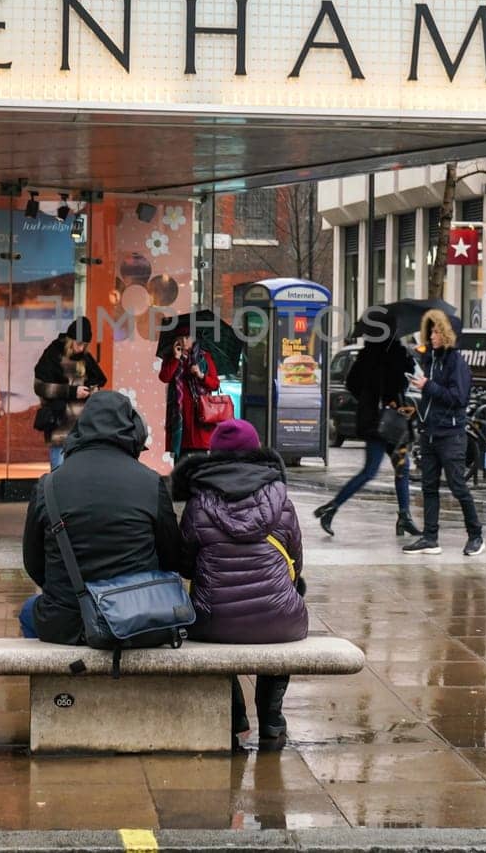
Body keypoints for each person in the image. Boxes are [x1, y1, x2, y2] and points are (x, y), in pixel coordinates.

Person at [175, 419, 306, 752]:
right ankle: (272, 718)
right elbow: (296, 564)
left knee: (210, 614)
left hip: (213, 622)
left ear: (213, 455)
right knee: (281, 609)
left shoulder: (197, 503)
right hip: (280, 620)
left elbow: (185, 565)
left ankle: (235, 715)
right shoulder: (281, 500)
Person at [20, 391, 181, 643]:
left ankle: (57, 681)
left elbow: (33, 562)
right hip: (137, 619)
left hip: (69, 621)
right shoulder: (151, 483)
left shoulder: (48, 485)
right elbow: (172, 557)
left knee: (29, 611)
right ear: (133, 430)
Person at [313, 320, 417, 537]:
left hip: (373, 421)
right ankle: (332, 508)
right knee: (388, 469)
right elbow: (401, 383)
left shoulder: (366, 355)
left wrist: (368, 400)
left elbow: (352, 383)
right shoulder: (395, 354)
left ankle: (404, 516)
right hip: (389, 423)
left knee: (395, 468)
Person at [403, 309, 485, 557]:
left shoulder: (455, 362)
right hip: (429, 432)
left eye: (437, 331)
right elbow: (432, 394)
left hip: (450, 433)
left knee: (458, 485)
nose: (432, 336)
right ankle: (430, 538)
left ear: (447, 334)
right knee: (428, 487)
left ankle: (476, 535)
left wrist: (429, 386)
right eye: (430, 331)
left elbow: (458, 398)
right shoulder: (430, 359)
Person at [33, 317, 107, 471]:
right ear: (70, 340)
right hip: (60, 424)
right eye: (79, 344)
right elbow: (40, 387)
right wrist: (72, 392)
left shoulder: (84, 358)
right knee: (58, 472)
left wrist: (92, 390)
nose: (80, 349)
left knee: (79, 473)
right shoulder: (53, 354)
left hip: (81, 428)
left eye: (84, 345)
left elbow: (98, 380)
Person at [159, 322, 222, 459]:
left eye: (187, 337)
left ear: (194, 339)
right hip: (180, 420)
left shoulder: (204, 357)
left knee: (200, 463)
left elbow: (215, 384)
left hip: (200, 417)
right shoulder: (171, 357)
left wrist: (201, 375)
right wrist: (175, 359)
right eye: (180, 337)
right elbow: (164, 377)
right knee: (181, 465)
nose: (183, 341)